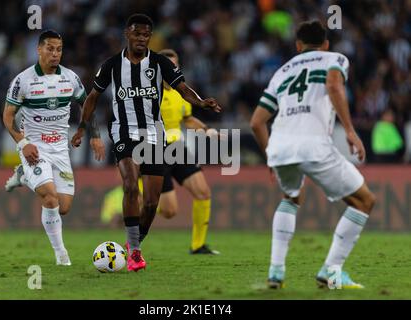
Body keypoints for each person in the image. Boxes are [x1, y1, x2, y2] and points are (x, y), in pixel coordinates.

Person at [71, 14, 221, 272]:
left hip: (155, 134)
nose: (141, 39)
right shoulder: (111, 65)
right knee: (131, 185)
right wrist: (83, 127)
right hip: (123, 132)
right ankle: (134, 250)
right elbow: (93, 97)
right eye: (137, 34)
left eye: (146, 35)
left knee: (152, 202)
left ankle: (135, 247)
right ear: (127, 34)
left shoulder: (160, 63)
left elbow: (184, 89)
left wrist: (200, 102)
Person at [250, 20, 376, 289]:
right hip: (314, 144)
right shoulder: (335, 58)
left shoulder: (282, 71)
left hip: (281, 146)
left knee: (292, 196)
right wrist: (351, 131)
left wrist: (271, 155)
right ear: (326, 43)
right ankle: (331, 272)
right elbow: (333, 86)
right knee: (364, 201)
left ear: (298, 46)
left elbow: (256, 122)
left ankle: (276, 271)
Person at [2, 30, 105, 266]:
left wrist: (91, 134)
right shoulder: (23, 80)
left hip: (59, 149)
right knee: (49, 197)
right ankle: (61, 254)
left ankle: (23, 176)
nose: (55, 53)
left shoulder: (70, 78)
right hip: (33, 147)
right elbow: (8, 116)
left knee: (64, 207)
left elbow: (87, 105)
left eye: (59, 49)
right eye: (49, 48)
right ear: (38, 49)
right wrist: (23, 142)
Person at [157, 49, 219, 255]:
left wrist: (206, 129)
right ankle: (138, 199)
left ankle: (198, 245)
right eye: (168, 67)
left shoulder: (181, 93)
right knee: (169, 211)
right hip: (153, 151)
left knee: (203, 192)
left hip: (177, 148)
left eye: (175, 67)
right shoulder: (150, 93)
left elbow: (187, 119)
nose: (172, 70)